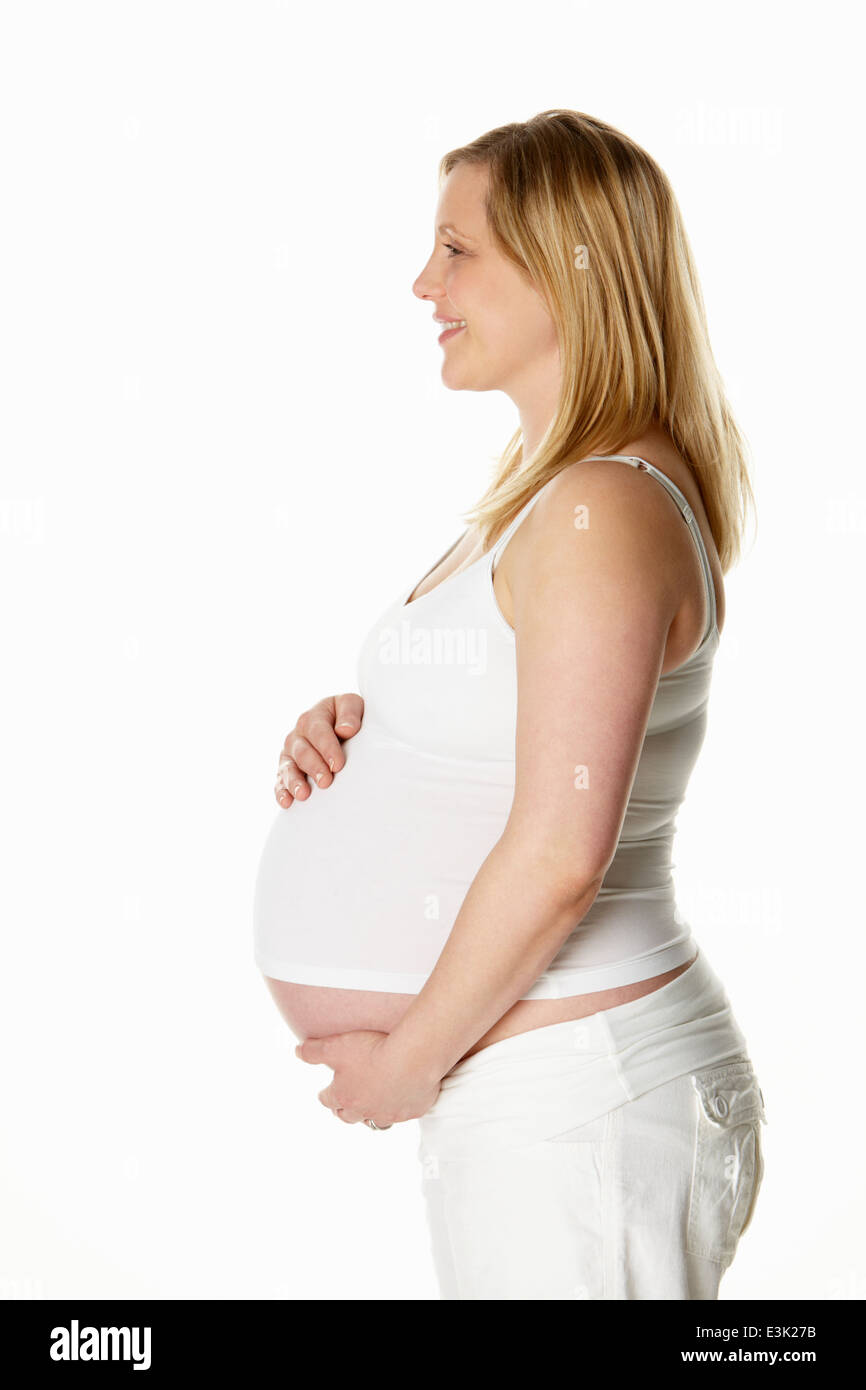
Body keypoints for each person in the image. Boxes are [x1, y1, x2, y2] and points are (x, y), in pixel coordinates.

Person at [254, 108, 767, 1300]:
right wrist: (372, 727)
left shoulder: (598, 505)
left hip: (575, 1108)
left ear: (566, 266)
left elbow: (559, 857)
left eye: (456, 248)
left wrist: (406, 1069)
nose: (420, 281)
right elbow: (524, 727)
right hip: (555, 1103)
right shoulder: (558, 495)